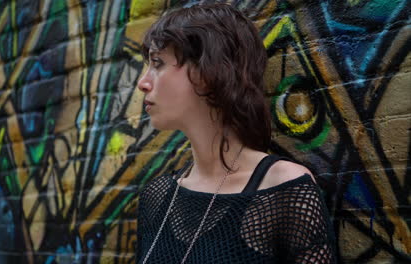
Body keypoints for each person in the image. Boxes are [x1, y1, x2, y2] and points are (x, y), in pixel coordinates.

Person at [135, 3, 336, 264]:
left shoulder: (282, 189)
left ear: (207, 71)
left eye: (157, 64)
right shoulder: (158, 195)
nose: (143, 83)